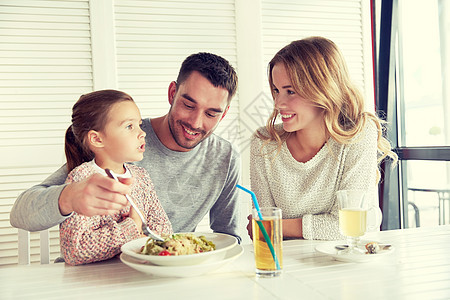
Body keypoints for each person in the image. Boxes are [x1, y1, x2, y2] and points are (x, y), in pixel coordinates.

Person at [10, 52, 242, 241]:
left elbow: (228, 238)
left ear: (224, 115)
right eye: (188, 105)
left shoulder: (225, 157)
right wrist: (67, 198)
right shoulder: (121, 139)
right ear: (172, 93)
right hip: (93, 277)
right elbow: (20, 214)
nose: (196, 122)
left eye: (211, 113)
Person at [247, 37, 397, 241]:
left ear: (322, 89)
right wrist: (271, 227)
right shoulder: (264, 142)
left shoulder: (359, 135)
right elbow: (264, 230)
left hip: (350, 260)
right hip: (289, 263)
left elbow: (348, 226)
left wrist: (279, 226)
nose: (279, 103)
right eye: (276, 90)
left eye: (290, 91)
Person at [60, 90, 172, 265]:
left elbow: (164, 229)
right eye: (129, 126)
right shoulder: (82, 178)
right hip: (96, 280)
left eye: (140, 125)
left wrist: (132, 236)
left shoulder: (141, 176)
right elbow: (75, 249)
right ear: (97, 139)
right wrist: (132, 227)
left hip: (136, 272)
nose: (142, 133)